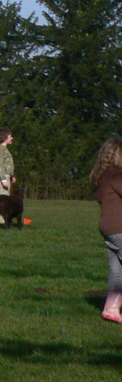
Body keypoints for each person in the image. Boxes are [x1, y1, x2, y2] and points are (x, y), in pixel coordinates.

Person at [90, 136, 122, 323]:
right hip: (120, 227)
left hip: (107, 229)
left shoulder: (101, 177)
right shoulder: (116, 176)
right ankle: (113, 306)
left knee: (116, 271)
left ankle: (111, 309)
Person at [0, 128, 15, 195]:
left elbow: (7, 164)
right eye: (10, 137)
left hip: (5, 175)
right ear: (5, 138)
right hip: (2, 175)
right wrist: (3, 179)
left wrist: (11, 175)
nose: (12, 138)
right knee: (3, 194)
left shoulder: (4, 149)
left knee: (6, 194)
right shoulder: (0, 149)